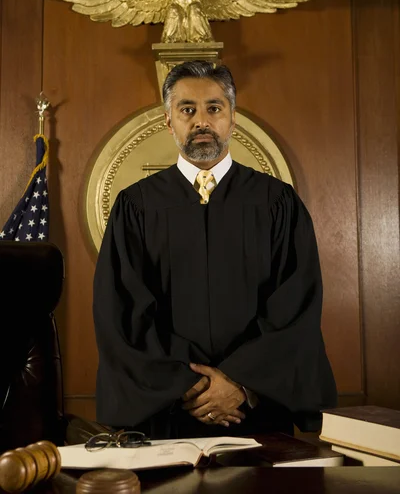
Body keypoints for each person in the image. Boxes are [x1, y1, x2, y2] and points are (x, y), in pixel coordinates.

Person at [93, 60, 337, 439]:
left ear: (233, 118)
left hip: (256, 409)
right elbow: (123, 310)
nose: (201, 121)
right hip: (167, 411)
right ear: (168, 121)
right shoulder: (136, 206)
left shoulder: (276, 202)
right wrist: (189, 386)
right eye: (187, 109)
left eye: (214, 108)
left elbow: (295, 305)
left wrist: (238, 383)